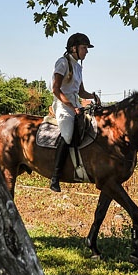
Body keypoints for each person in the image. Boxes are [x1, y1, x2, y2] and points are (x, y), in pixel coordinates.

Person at [50, 32, 100, 192]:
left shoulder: (78, 67)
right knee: (68, 135)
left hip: (75, 103)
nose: (86, 51)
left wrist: (93, 96)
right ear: (74, 48)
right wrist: (72, 107)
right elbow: (55, 89)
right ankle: (55, 177)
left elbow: (81, 92)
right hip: (62, 105)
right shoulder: (62, 62)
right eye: (84, 47)